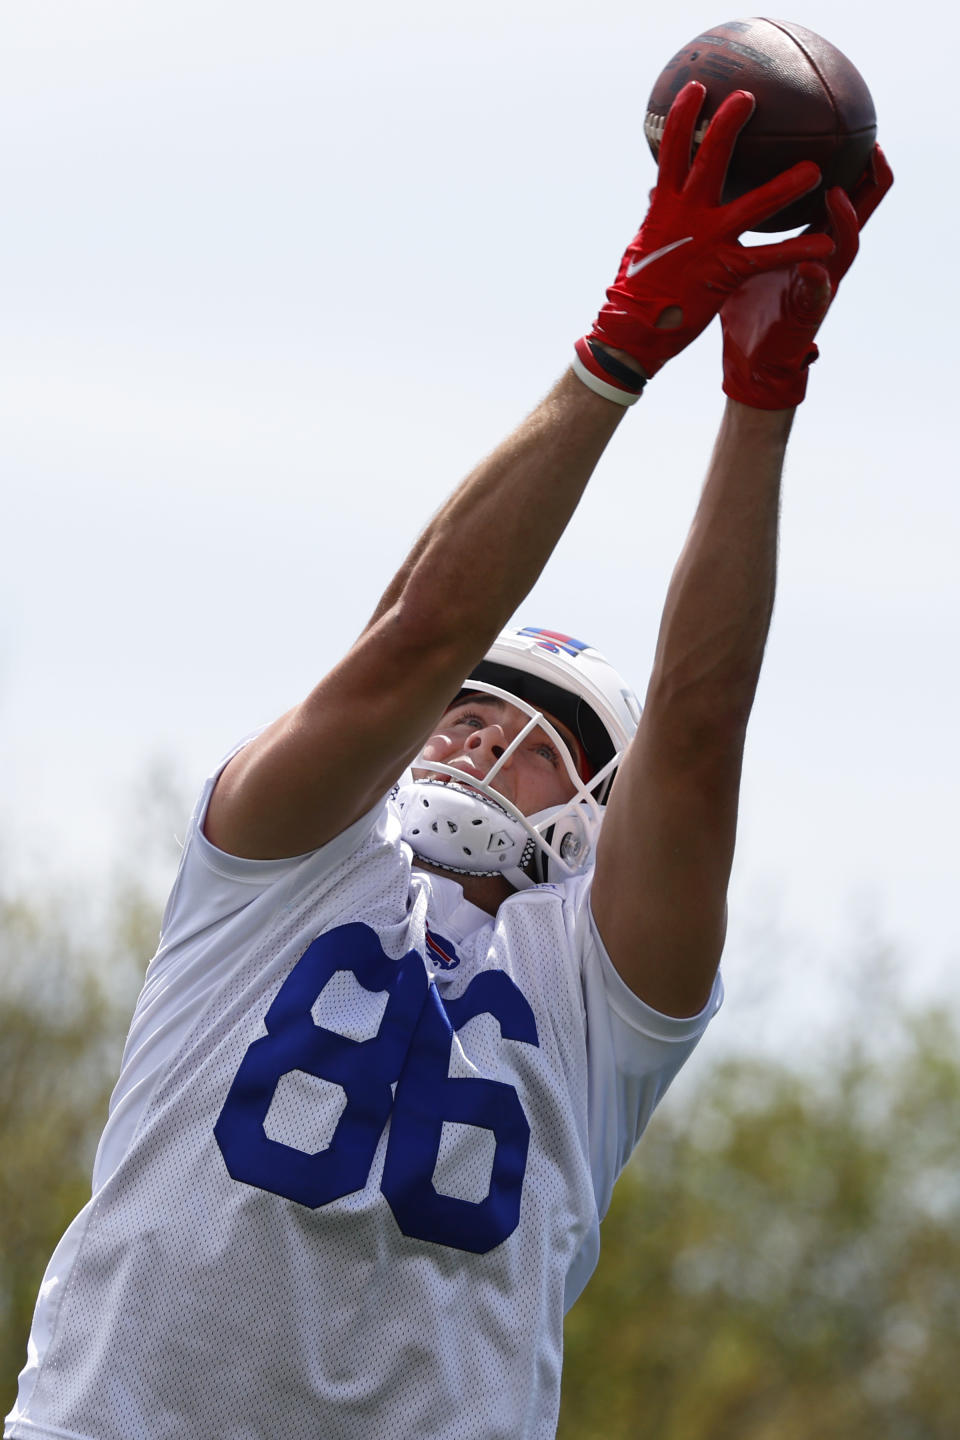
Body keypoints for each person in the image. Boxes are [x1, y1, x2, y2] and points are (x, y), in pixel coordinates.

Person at [6, 83, 891, 1440]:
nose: (474, 731)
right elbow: (416, 637)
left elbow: (702, 731)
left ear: (597, 807)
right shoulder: (276, 875)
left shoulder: (598, 1004)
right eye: (466, 708)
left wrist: (760, 397)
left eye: (533, 730)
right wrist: (618, 352)